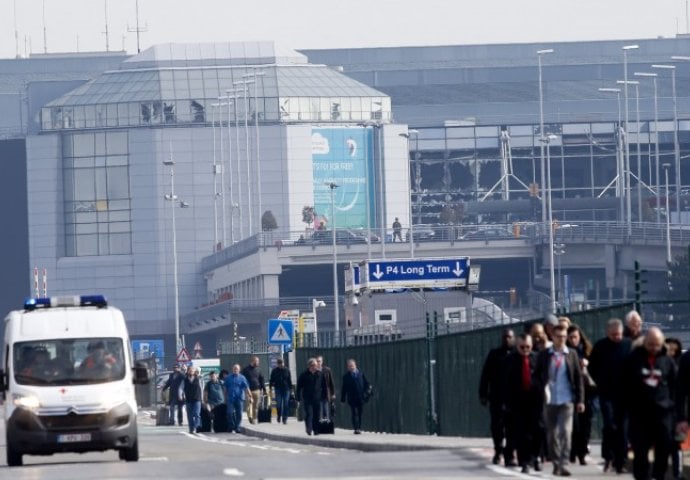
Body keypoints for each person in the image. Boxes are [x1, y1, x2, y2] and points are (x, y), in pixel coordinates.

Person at [624, 327, 676, 480]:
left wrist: (672, 407)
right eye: (651, 344)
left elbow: (674, 386)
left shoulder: (667, 361)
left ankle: (658, 476)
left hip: (662, 414)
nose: (654, 348)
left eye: (657, 345)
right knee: (640, 453)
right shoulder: (633, 359)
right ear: (645, 342)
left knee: (664, 449)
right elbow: (625, 384)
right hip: (640, 414)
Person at [535, 324, 585, 477]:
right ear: (553, 337)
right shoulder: (545, 355)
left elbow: (578, 378)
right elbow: (537, 375)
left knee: (566, 432)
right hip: (549, 399)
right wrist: (541, 387)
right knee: (551, 434)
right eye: (558, 336)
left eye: (564, 337)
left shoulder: (571, 354)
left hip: (567, 399)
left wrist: (581, 400)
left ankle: (563, 463)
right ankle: (556, 462)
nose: (562, 339)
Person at [589, 318, 631, 474]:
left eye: (618, 334)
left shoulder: (628, 345)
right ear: (607, 333)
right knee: (609, 425)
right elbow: (592, 367)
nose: (616, 337)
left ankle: (621, 461)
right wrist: (600, 381)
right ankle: (608, 456)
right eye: (613, 334)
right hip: (607, 393)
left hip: (625, 394)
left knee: (623, 429)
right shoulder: (600, 347)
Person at [503, 333, 542, 474]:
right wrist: (506, 403)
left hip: (535, 401)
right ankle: (524, 461)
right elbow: (504, 383)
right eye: (522, 347)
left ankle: (536, 456)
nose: (525, 349)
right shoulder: (510, 360)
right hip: (517, 402)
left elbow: (543, 378)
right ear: (517, 346)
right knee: (521, 433)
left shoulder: (537, 358)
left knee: (537, 430)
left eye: (528, 347)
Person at [478, 328, 516, 466]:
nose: (507, 339)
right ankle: (498, 450)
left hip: (513, 399)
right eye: (505, 337)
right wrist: (482, 394)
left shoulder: (516, 354)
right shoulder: (494, 355)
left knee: (512, 427)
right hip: (497, 398)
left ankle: (510, 454)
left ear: (514, 338)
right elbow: (485, 376)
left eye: (510, 337)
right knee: (497, 427)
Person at [566, 324, 596, 466]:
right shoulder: (566, 353)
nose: (573, 340)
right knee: (574, 425)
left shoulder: (588, 351)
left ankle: (582, 453)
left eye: (575, 337)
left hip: (588, 392)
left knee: (586, 425)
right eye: (570, 337)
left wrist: (587, 364)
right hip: (571, 392)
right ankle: (573, 452)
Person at [666, 337, 684, 480]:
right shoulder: (660, 364)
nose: (672, 352)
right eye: (669, 349)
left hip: (677, 411)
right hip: (663, 410)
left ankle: (678, 473)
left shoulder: (682, 363)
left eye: (674, 349)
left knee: (677, 443)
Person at [340, 358, 371, 434]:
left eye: (352, 366)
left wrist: (368, 390)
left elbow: (367, 383)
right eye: (349, 366)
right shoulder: (346, 377)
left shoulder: (361, 374)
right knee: (354, 413)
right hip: (352, 398)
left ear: (355, 365)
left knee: (360, 413)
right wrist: (343, 399)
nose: (351, 367)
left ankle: (359, 427)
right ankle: (356, 428)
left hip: (360, 397)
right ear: (347, 367)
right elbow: (344, 388)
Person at [296, 357, 325, 436]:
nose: (315, 367)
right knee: (309, 414)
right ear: (309, 366)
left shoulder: (320, 374)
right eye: (313, 365)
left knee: (317, 415)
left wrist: (324, 396)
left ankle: (316, 430)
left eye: (315, 365)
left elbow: (324, 386)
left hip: (317, 398)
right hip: (307, 398)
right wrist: (298, 397)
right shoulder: (304, 375)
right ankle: (309, 429)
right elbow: (299, 387)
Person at [225, 364, 252, 433]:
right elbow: (225, 389)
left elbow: (247, 387)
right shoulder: (228, 378)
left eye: (237, 368)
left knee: (239, 414)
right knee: (229, 413)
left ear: (239, 370)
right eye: (234, 368)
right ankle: (231, 426)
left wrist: (250, 396)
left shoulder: (242, 378)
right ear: (232, 369)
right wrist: (225, 397)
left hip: (239, 398)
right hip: (230, 398)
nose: (235, 370)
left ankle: (237, 427)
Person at [241, 355, 266, 424]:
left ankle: (254, 419)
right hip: (248, 390)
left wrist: (264, 389)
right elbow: (242, 379)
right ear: (253, 361)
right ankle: (250, 417)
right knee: (249, 405)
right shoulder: (246, 370)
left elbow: (262, 379)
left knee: (256, 406)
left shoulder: (259, 369)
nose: (258, 363)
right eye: (257, 361)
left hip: (257, 390)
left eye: (258, 361)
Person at [179, 365, 203, 434]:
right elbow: (181, 388)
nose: (191, 372)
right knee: (190, 415)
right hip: (188, 399)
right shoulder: (185, 380)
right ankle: (191, 429)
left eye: (192, 371)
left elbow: (201, 388)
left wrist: (202, 398)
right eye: (190, 370)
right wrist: (180, 395)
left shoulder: (198, 379)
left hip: (197, 399)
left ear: (194, 372)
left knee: (196, 413)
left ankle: (196, 425)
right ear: (188, 371)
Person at [270, 358, 293, 424]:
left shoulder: (287, 370)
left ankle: (285, 418)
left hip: (286, 389)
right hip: (278, 389)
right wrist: (270, 387)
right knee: (279, 404)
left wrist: (291, 389)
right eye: (279, 363)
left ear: (283, 363)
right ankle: (279, 415)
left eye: (282, 363)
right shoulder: (274, 371)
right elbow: (271, 379)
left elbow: (289, 380)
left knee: (286, 403)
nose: (281, 365)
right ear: (277, 364)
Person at [316, 355, 336, 421]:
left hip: (325, 393)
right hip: (317, 393)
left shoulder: (327, 370)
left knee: (325, 409)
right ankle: (320, 423)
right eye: (317, 361)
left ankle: (326, 422)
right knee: (319, 409)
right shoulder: (314, 371)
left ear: (322, 362)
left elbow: (331, 382)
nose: (318, 363)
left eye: (319, 361)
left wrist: (333, 393)